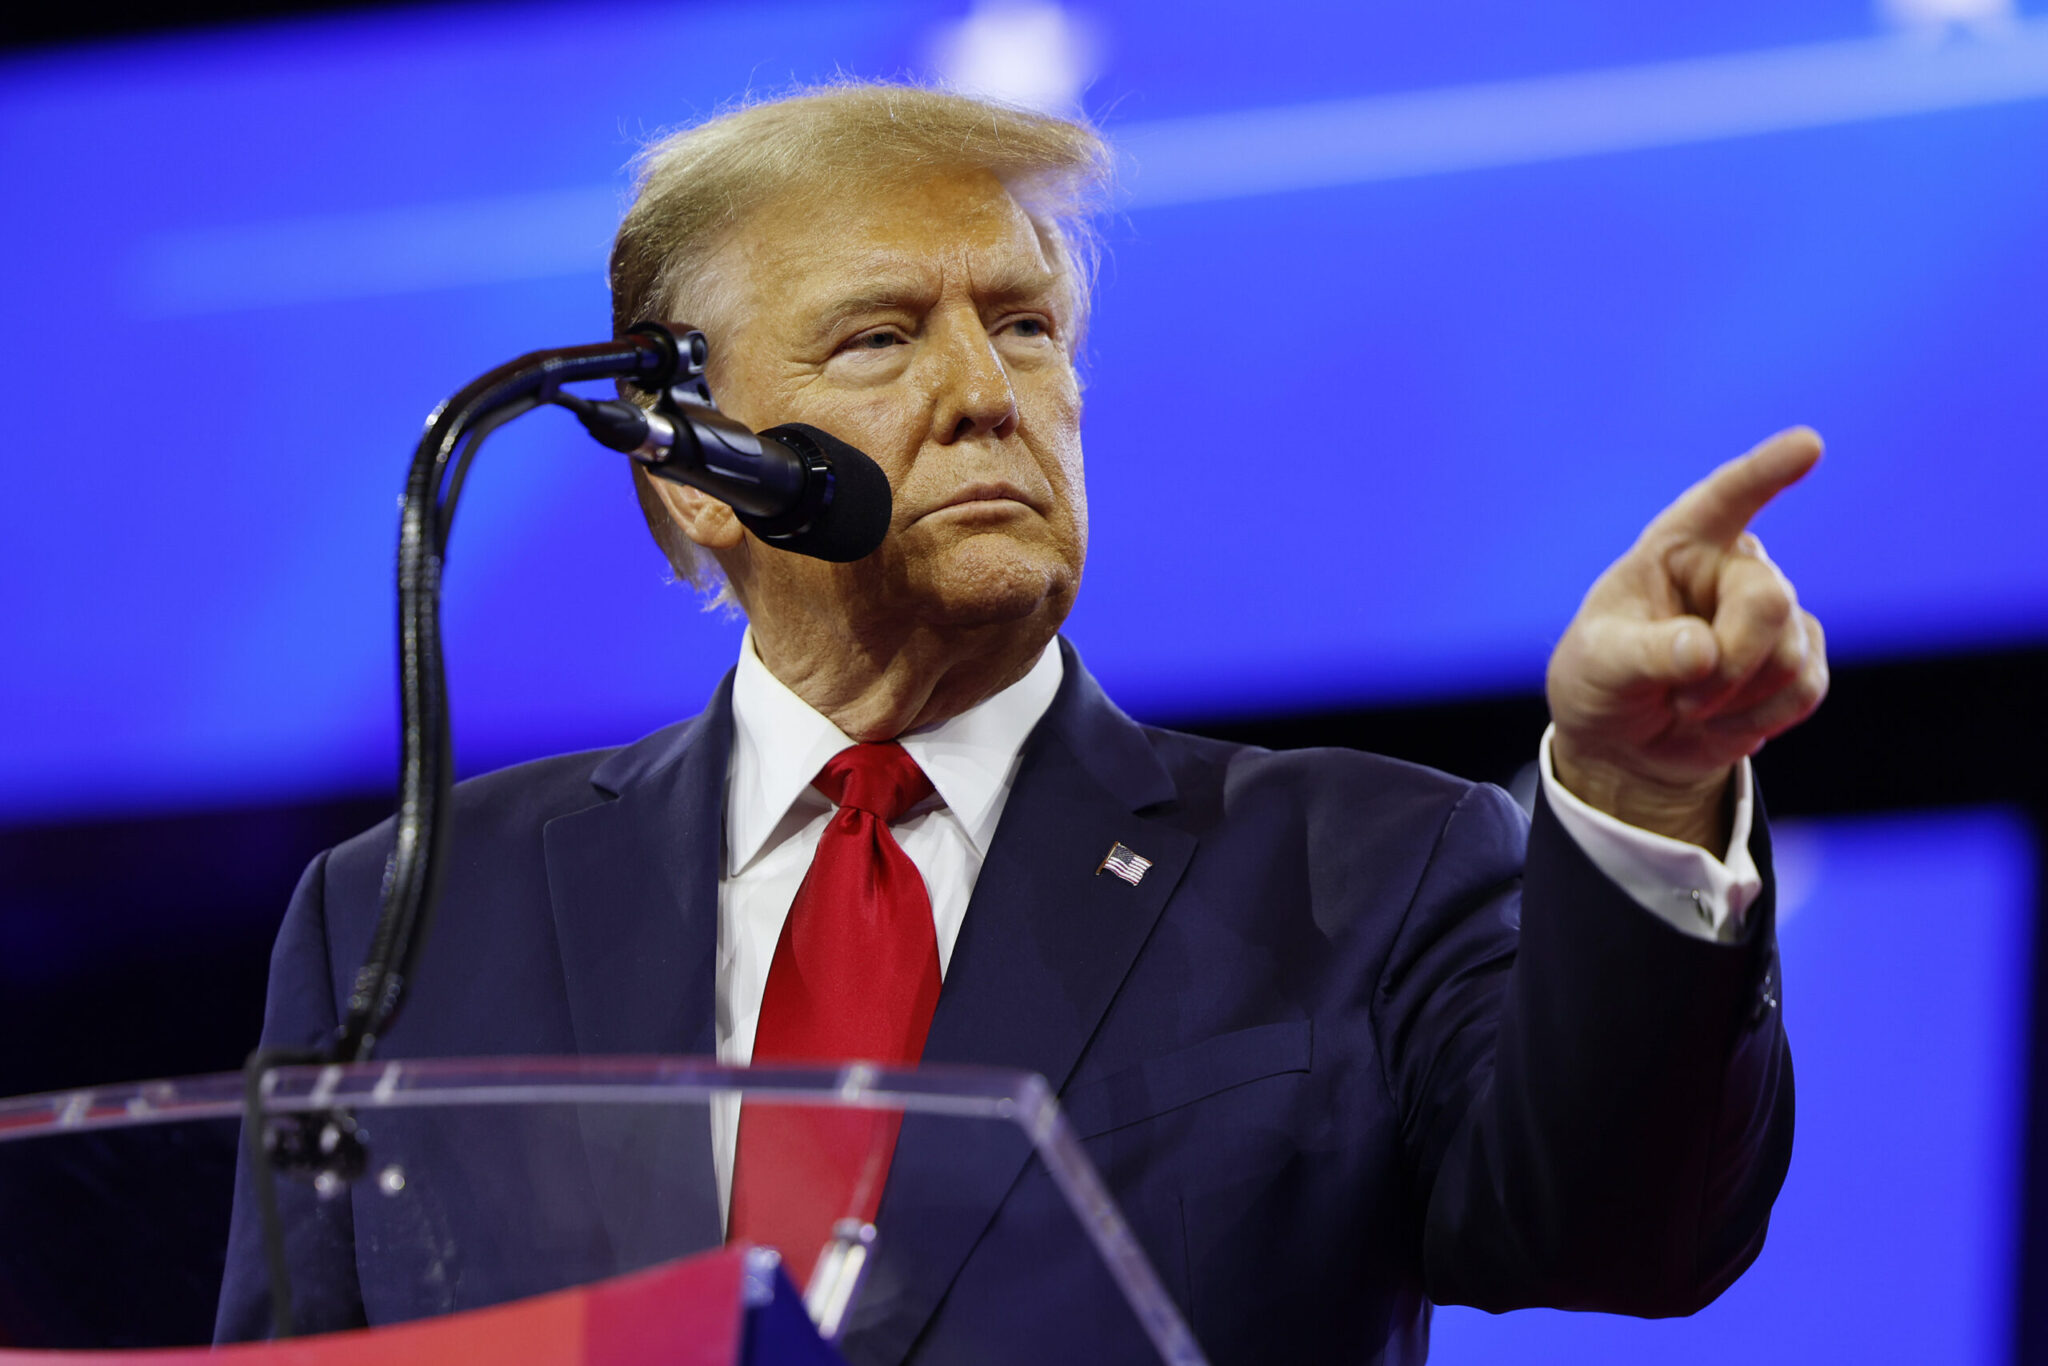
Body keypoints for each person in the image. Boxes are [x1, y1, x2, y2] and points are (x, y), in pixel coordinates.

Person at [218, 83, 1822, 1364]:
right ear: (691, 477)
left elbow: (1631, 1234)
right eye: (882, 336)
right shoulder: (414, 910)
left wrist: (1638, 789)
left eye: (1029, 325)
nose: (989, 391)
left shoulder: (1362, 865)